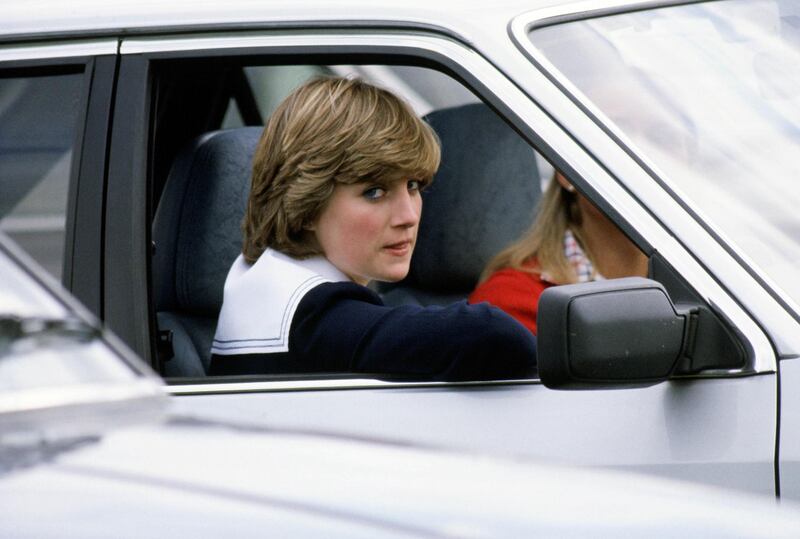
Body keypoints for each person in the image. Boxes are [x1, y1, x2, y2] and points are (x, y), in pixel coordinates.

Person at [209, 77, 536, 380]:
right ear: (305, 205)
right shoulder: (311, 316)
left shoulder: (265, 289)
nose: (408, 215)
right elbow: (491, 335)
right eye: (374, 192)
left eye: (413, 185)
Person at [469, 171, 648, 335]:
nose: (642, 171)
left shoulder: (675, 284)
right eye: (615, 152)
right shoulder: (509, 301)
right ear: (567, 175)